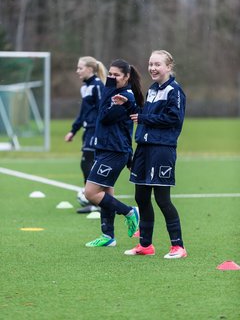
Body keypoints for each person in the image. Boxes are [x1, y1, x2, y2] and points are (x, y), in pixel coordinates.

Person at [113, 50, 187, 258]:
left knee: (162, 199)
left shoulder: (175, 90)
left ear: (169, 67)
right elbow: (144, 115)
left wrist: (145, 118)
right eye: (150, 64)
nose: (153, 68)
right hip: (143, 149)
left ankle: (178, 246)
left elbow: (174, 119)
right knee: (141, 197)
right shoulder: (153, 90)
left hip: (162, 150)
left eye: (158, 64)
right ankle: (145, 245)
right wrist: (128, 104)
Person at [84, 58, 144, 247]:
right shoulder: (113, 93)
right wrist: (109, 90)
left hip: (115, 150)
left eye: (116, 75)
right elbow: (103, 112)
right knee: (105, 194)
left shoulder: (127, 96)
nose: (111, 78)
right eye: (109, 74)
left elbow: (104, 117)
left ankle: (129, 212)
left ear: (126, 77)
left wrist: (108, 90)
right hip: (105, 148)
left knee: (91, 193)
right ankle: (108, 236)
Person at [65, 56, 106, 214]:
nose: (77, 71)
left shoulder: (97, 86)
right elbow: (83, 113)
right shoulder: (85, 88)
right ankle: (93, 200)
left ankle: (97, 201)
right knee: (86, 164)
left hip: (96, 131)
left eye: (80, 68)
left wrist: (101, 130)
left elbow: (103, 110)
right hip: (87, 131)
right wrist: (73, 131)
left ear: (90, 69)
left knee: (89, 163)